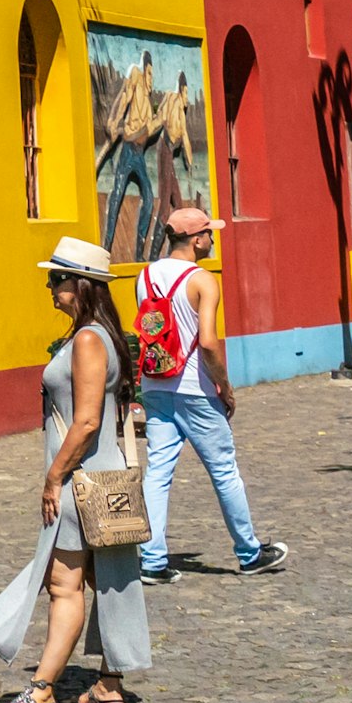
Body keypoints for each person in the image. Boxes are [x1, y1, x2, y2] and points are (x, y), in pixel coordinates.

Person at [0, 240, 152, 703]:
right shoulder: (99, 334)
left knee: (63, 584)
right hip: (101, 476)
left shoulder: (90, 340)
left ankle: (41, 690)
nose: (50, 287)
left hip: (82, 480)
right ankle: (110, 682)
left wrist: (54, 478)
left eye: (56, 279)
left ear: (81, 285)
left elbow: (88, 419)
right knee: (105, 578)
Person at [131, 207, 286, 582]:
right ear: (196, 239)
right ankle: (249, 554)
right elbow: (208, 342)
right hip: (195, 388)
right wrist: (224, 386)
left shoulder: (145, 276)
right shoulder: (202, 280)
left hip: (155, 385)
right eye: (209, 234)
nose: (212, 240)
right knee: (224, 471)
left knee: (158, 473)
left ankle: (151, 560)